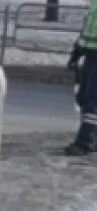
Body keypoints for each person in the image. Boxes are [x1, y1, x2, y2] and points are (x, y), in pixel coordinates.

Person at [66, 0, 97, 156]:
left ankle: (85, 141)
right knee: (84, 98)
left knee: (92, 100)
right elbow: (88, 30)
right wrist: (77, 51)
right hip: (91, 55)